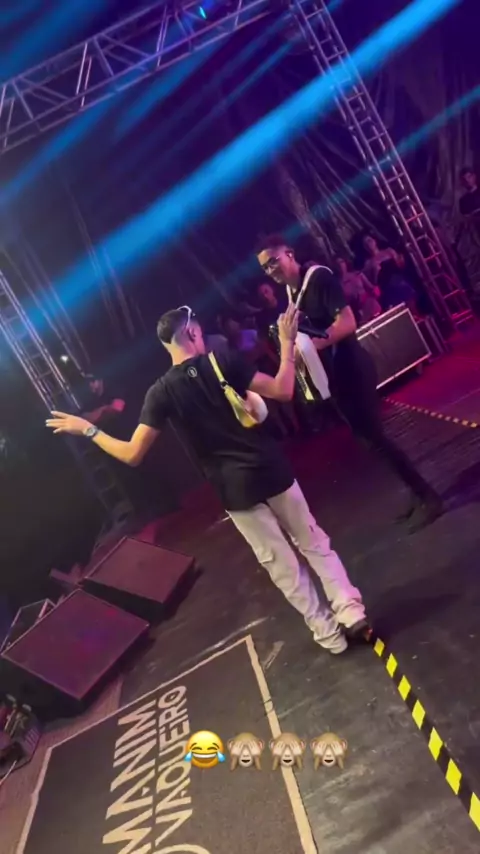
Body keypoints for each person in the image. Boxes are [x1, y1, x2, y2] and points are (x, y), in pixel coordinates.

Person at [46, 304, 371, 655]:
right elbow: (282, 389)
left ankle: (328, 634)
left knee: (282, 566)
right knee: (313, 541)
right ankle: (351, 613)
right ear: (191, 333)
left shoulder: (160, 393)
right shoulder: (223, 361)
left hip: (235, 490)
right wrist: (287, 343)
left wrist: (88, 429)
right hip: (271, 469)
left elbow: (132, 454)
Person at [255, 234, 443, 531]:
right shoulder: (292, 295)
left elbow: (348, 322)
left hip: (352, 368)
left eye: (273, 261)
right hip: (336, 377)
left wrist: (313, 345)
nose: (271, 270)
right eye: (265, 267)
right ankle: (417, 492)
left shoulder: (318, 278)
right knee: (370, 441)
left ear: (289, 254)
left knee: (375, 440)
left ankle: (428, 496)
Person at [354, 231, 418, 314]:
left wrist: (400, 259)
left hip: (400, 281)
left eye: (369, 240)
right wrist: (376, 272)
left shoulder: (388, 251)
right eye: (366, 244)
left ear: (374, 240)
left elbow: (401, 265)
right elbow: (373, 283)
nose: (369, 244)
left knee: (412, 305)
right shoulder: (369, 263)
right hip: (387, 288)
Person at [333, 256, 382, 325]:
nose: (340, 265)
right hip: (358, 315)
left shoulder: (357, 275)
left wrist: (374, 291)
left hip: (371, 306)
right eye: (337, 264)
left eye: (341, 262)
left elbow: (373, 289)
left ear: (345, 263)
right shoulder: (337, 286)